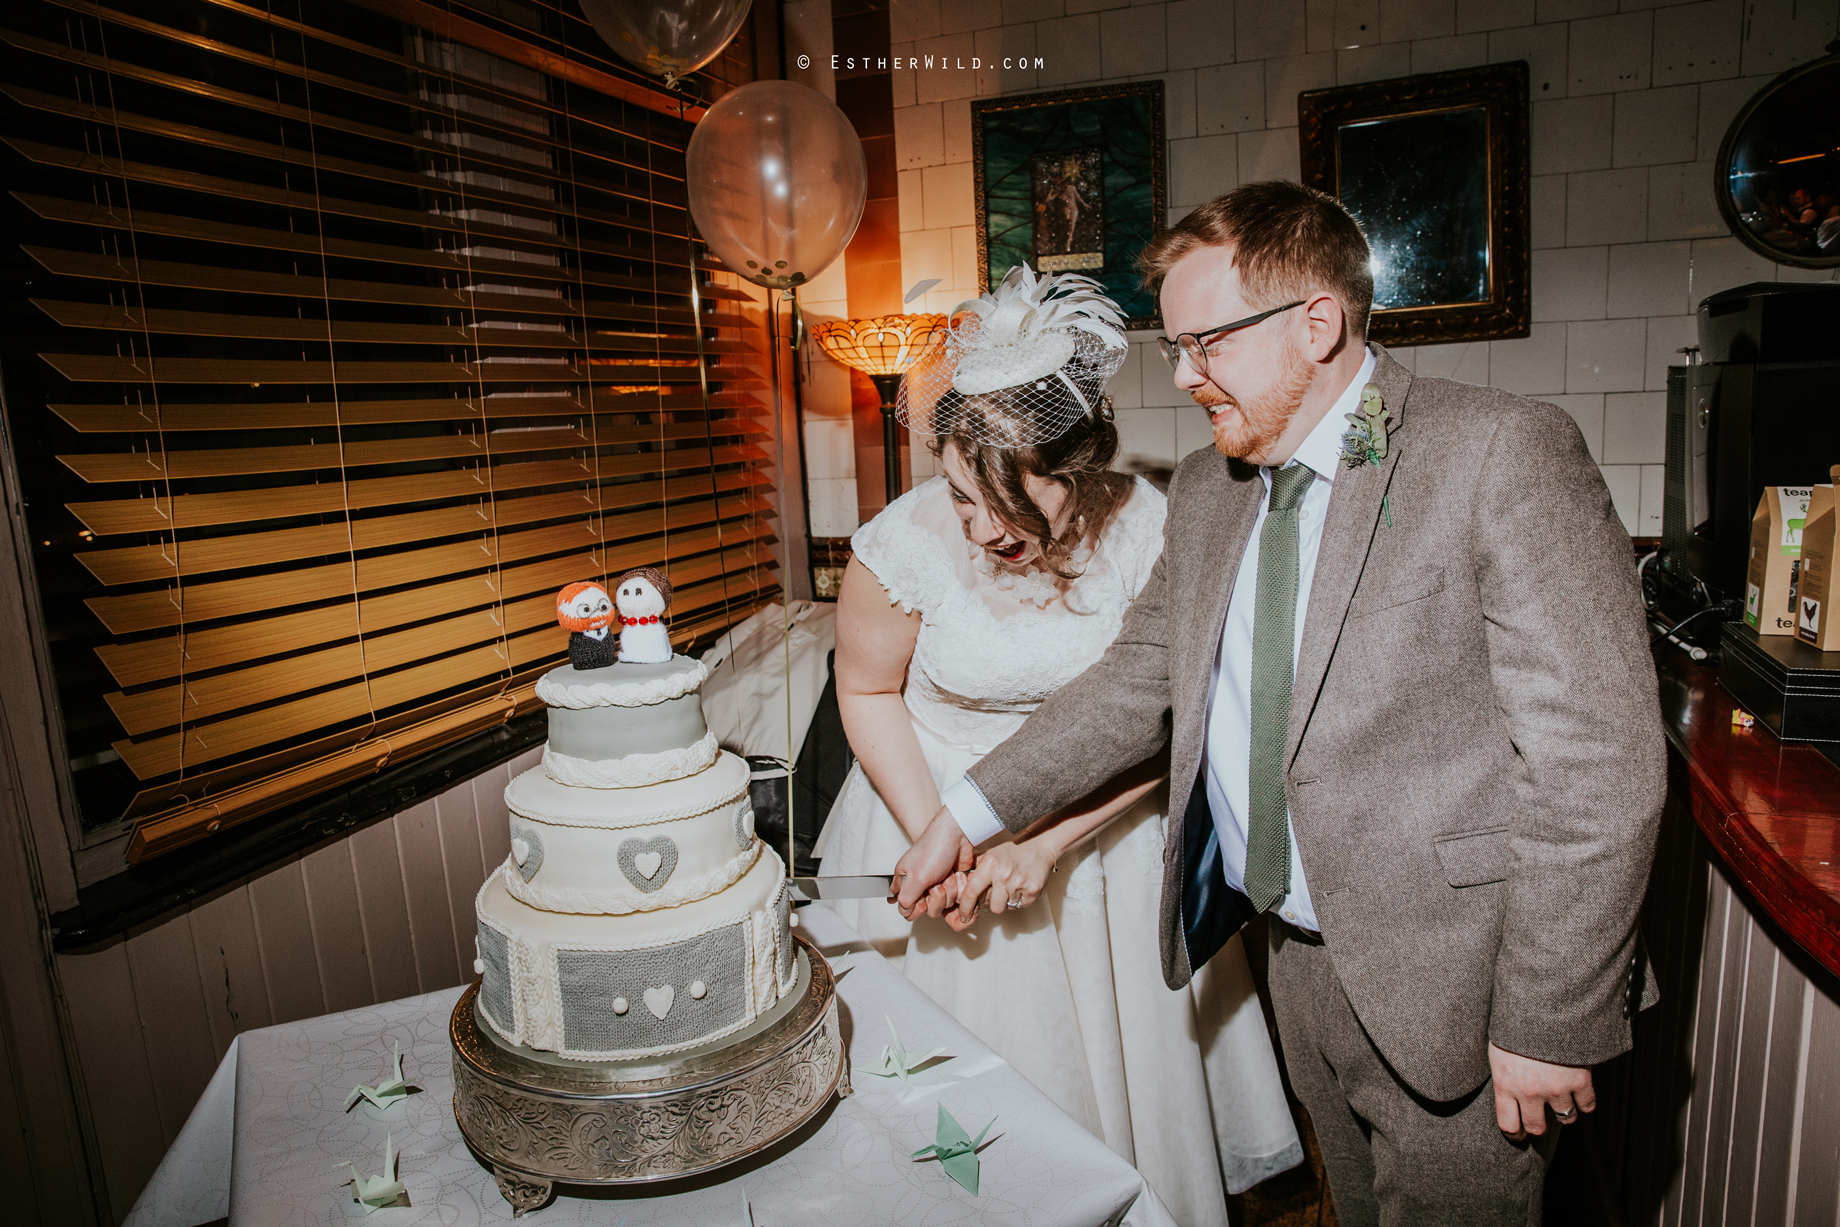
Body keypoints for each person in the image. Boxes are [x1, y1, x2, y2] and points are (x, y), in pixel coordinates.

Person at [895, 182, 1665, 1226]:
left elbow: (1597, 766)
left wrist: (1548, 1020)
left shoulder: (1498, 451)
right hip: (1293, 953)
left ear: (1317, 323)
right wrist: (969, 813)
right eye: (1173, 347)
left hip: (1467, 980)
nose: (1184, 376)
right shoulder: (1213, 490)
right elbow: (1139, 677)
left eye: (1205, 343)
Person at [817, 265, 1303, 1225]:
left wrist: (1048, 840)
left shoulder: (1154, 528)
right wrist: (944, 836)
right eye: (962, 497)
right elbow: (865, 687)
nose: (983, 528)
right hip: (927, 812)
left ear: (1080, 469)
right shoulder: (899, 547)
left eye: (1009, 499)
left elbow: (1175, 720)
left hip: (1104, 844)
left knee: (1125, 1112)